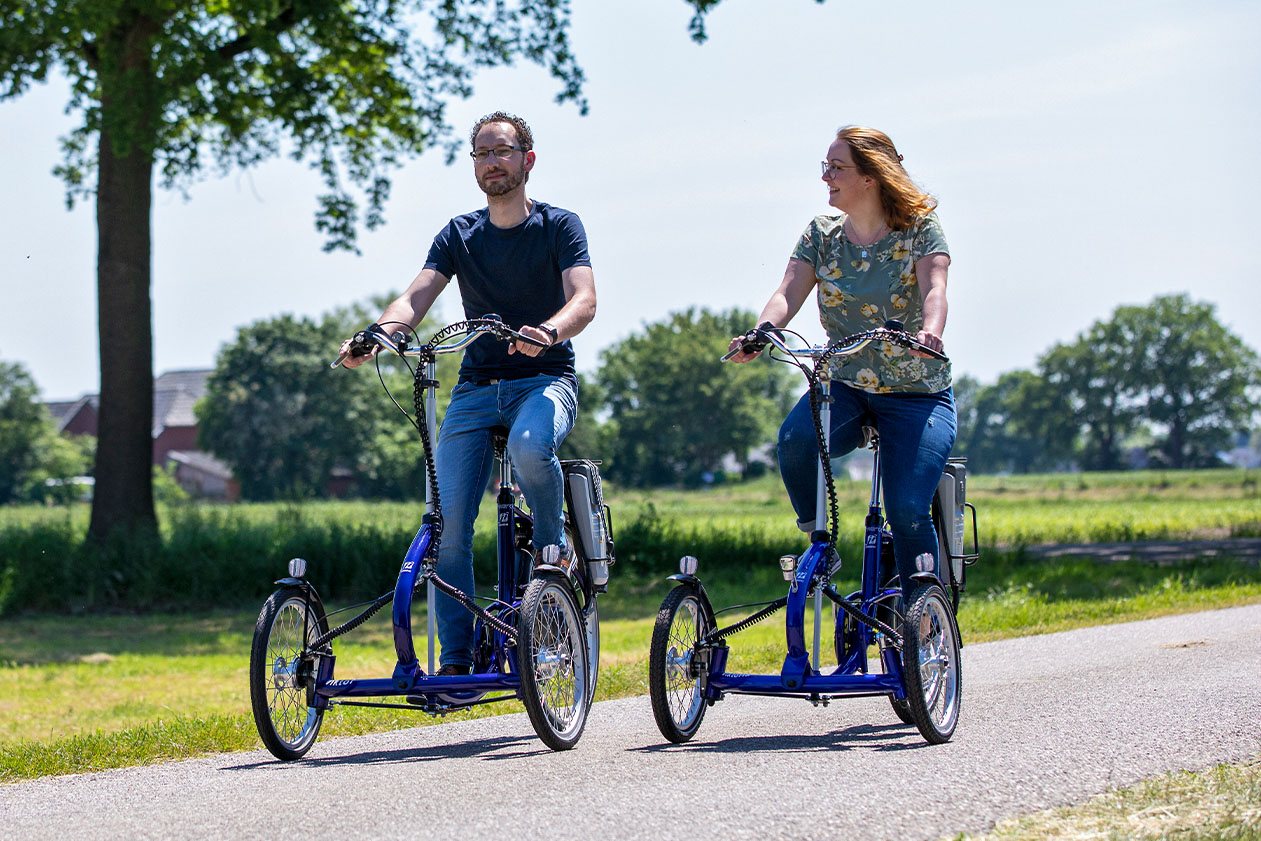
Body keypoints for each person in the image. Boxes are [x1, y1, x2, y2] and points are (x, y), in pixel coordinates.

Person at [341, 111, 597, 675]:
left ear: (527, 160)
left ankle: (553, 555)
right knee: (448, 522)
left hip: (545, 380)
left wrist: (551, 330)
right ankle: (457, 661)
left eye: (501, 152)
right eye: (481, 153)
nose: (491, 162)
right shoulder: (460, 234)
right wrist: (380, 335)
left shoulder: (559, 226)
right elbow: (415, 297)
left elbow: (584, 300)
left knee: (532, 446)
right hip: (477, 389)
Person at [728, 125, 955, 591]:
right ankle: (821, 545)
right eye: (825, 166)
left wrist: (930, 334)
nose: (826, 176)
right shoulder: (822, 235)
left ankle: (927, 614)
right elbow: (786, 292)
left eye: (837, 167)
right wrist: (762, 331)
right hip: (845, 386)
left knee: (908, 510)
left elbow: (935, 288)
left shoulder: (918, 230)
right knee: (794, 441)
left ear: (870, 176)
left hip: (916, 393)